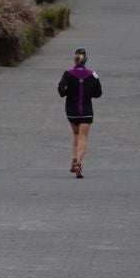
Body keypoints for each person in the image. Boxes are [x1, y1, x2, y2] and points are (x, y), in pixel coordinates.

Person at [57, 47, 102, 179]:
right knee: (83, 136)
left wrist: (68, 91)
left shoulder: (67, 74)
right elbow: (98, 93)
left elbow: (61, 91)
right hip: (86, 111)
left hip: (72, 111)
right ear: (86, 59)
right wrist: (89, 92)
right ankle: (79, 163)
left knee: (76, 133)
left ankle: (73, 160)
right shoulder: (93, 74)